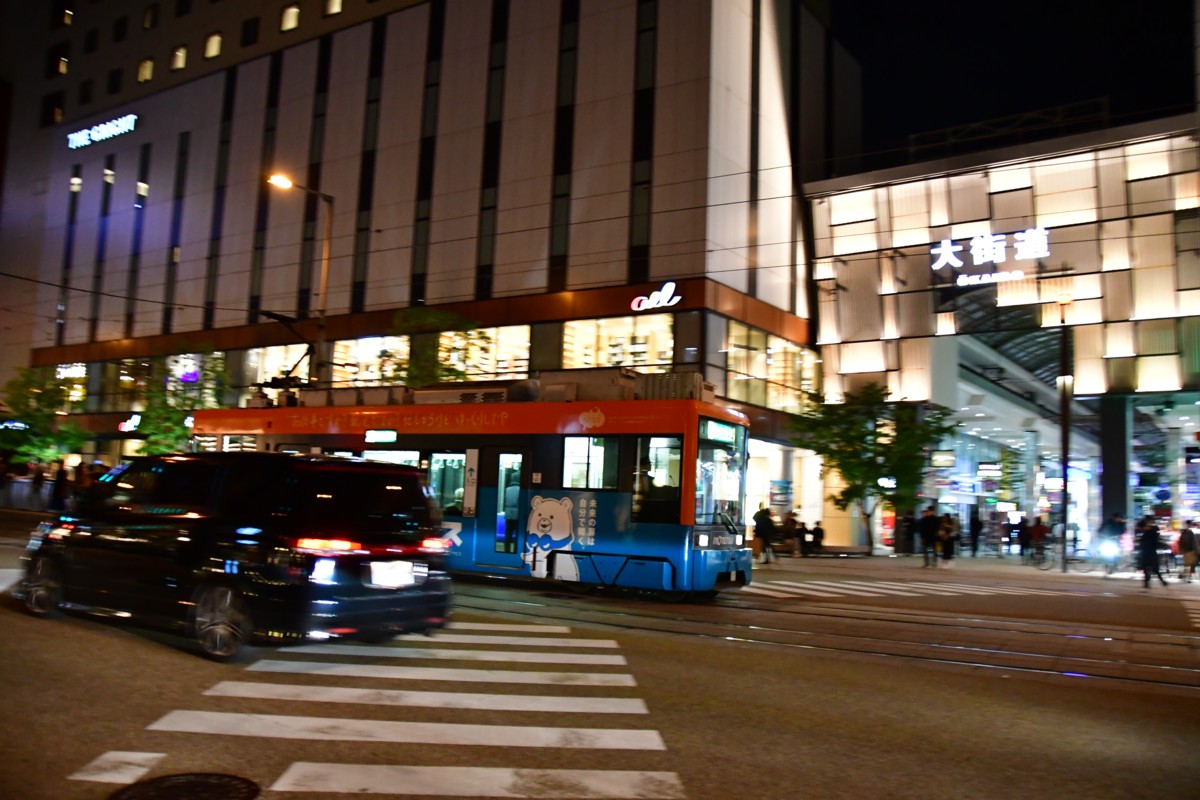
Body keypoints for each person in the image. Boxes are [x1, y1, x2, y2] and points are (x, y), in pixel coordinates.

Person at [1138, 517, 1168, 589]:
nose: (1141, 530)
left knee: (1152, 568)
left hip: (1149, 552)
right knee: (1148, 568)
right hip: (1148, 552)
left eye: (1142, 528)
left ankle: (1159, 581)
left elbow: (1155, 537)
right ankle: (1148, 583)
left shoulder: (1151, 531)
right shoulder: (1147, 533)